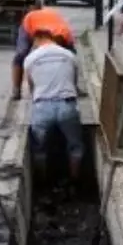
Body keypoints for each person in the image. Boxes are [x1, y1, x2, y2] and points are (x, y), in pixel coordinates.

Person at [22, 23, 84, 185]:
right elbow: (74, 82)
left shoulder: (30, 59)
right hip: (67, 106)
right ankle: (74, 182)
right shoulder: (69, 55)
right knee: (75, 146)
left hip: (42, 107)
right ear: (52, 38)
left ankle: (43, 184)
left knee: (40, 149)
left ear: (37, 39)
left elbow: (31, 87)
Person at [10, 4, 74, 100]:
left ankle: (72, 86)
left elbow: (72, 59)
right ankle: (16, 89)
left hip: (51, 24)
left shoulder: (66, 35)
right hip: (31, 24)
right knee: (21, 53)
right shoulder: (30, 20)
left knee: (70, 58)